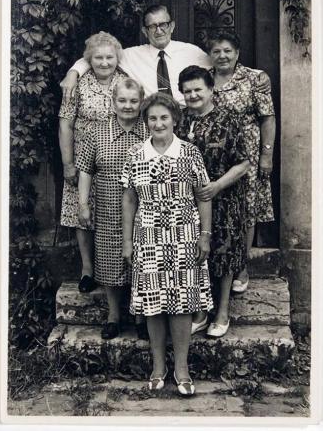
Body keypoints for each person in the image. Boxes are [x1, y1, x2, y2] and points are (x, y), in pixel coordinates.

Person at [121, 93, 213, 396]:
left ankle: (182, 368)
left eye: (164, 117)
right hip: (147, 235)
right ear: (145, 122)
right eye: (152, 118)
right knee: (153, 303)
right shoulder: (136, 154)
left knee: (182, 303)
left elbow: (203, 196)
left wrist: (205, 235)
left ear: (175, 119)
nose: (158, 123)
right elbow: (130, 198)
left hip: (184, 234)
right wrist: (127, 242)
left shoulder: (190, 152)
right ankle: (158, 366)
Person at [177, 66, 250, 338]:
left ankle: (222, 312)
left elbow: (243, 162)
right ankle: (199, 312)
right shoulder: (179, 119)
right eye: (187, 90)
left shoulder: (229, 119)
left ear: (210, 90)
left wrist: (217, 186)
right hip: (187, 200)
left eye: (198, 89)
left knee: (223, 254)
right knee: (193, 255)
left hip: (224, 198)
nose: (193, 95)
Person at [76, 78, 149, 339]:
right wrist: (83, 204)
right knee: (108, 260)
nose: (127, 106)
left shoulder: (149, 130)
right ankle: (114, 316)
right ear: (112, 102)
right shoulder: (97, 132)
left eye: (133, 101)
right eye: (122, 100)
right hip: (107, 205)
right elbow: (85, 169)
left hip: (143, 207)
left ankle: (142, 317)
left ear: (141, 103)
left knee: (142, 259)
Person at [207, 30, 276, 293]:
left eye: (227, 51)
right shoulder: (205, 78)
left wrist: (266, 155)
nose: (222, 55)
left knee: (246, 210)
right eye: (216, 51)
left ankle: (241, 267)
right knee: (219, 208)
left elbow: (268, 117)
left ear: (237, 53)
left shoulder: (254, 79)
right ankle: (218, 264)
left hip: (246, 152)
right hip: (215, 155)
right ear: (210, 54)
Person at [58, 31, 127, 293]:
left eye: (109, 57)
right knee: (82, 215)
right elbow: (65, 125)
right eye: (98, 57)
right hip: (82, 160)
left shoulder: (126, 82)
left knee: (114, 214)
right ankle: (88, 269)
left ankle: (118, 268)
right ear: (89, 59)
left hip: (114, 158)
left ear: (117, 58)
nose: (104, 62)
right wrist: (68, 164)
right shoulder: (77, 84)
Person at [59, 4, 211, 107]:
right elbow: (96, 56)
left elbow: (219, 70)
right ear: (145, 32)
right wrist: (73, 73)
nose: (159, 31)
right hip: (151, 121)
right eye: (152, 26)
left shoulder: (192, 52)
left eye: (163, 25)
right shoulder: (132, 55)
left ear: (172, 26)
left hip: (185, 116)